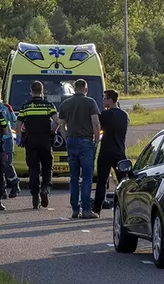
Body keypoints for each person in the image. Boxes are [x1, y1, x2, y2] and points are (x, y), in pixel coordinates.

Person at [58, 79, 101, 219]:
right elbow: (95, 122)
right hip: (86, 141)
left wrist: (66, 138)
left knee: (74, 177)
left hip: (71, 141)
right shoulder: (90, 102)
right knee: (87, 177)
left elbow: (61, 125)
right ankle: (86, 209)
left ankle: (75, 209)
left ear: (74, 88)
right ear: (85, 89)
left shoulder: (65, 104)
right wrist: (96, 140)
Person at [15, 81, 60, 209]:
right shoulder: (48, 105)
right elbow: (57, 121)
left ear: (31, 91)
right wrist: (53, 132)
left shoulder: (26, 106)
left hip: (31, 141)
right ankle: (45, 188)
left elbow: (18, 124)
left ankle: (35, 196)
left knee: (33, 169)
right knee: (47, 166)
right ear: (42, 91)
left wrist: (20, 137)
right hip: (45, 140)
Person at [92, 89, 128, 216]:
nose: (103, 101)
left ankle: (97, 209)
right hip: (120, 151)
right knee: (123, 181)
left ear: (110, 100)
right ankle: (126, 208)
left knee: (102, 182)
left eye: (104, 98)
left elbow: (97, 127)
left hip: (106, 151)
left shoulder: (104, 115)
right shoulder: (124, 115)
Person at [0, 87, 21, 199]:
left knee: (7, 163)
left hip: (6, 139)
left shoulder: (6, 107)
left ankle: (15, 183)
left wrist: (19, 134)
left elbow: (14, 122)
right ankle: (1, 190)